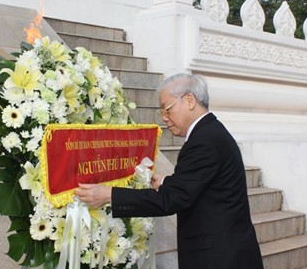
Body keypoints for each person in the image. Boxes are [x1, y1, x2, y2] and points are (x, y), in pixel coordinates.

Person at [75, 73, 264, 269]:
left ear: (189, 101)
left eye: (167, 109)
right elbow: (199, 185)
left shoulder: (203, 142)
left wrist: (109, 195)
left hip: (219, 257)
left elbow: (171, 200)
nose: (164, 118)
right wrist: (167, 182)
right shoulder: (211, 132)